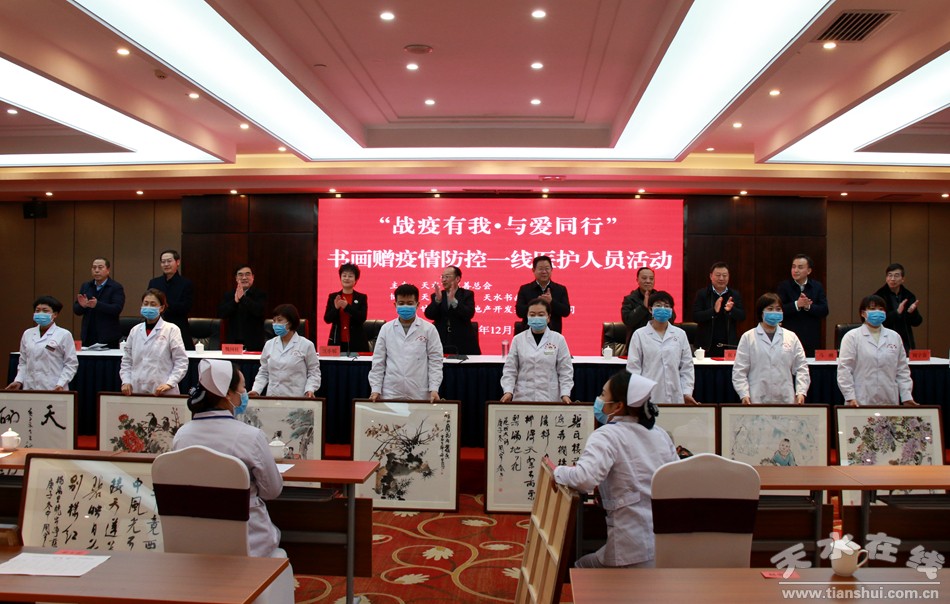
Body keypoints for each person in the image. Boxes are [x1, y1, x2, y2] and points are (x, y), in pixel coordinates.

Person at [546, 371, 677, 568]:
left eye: (602, 394)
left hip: (630, 547)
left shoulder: (607, 435)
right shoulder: (660, 434)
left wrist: (558, 472)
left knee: (580, 567)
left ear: (618, 406)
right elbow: (675, 479)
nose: (599, 400)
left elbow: (584, 479)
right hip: (666, 543)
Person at [172, 359, 283, 557]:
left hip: (194, 543)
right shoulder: (251, 436)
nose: (245, 393)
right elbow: (272, 491)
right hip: (249, 544)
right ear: (228, 394)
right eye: (243, 388)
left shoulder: (182, 435)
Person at [368, 284, 443, 402]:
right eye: (401, 303)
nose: (405, 306)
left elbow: (435, 361)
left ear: (418, 304)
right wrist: (375, 389)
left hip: (419, 392)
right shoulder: (386, 329)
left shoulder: (429, 329)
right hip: (391, 391)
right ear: (395, 305)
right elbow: (378, 361)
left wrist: (434, 388)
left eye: (410, 303)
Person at [837, 295, 916, 406]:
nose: (877, 312)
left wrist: (906, 396)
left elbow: (902, 370)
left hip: (889, 399)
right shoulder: (852, 337)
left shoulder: (894, 337)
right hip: (860, 399)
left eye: (881, 309)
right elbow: (844, 370)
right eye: (872, 309)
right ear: (863, 313)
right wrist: (850, 397)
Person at [732, 293, 810, 405]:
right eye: (770, 309)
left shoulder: (791, 337)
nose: (775, 312)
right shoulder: (748, 337)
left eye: (778, 309)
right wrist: (743, 394)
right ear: (761, 312)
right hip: (756, 398)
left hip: (786, 398)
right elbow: (739, 370)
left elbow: (801, 367)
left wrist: (801, 392)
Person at [627, 291, 697, 404]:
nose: (663, 309)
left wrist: (687, 392)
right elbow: (633, 368)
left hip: (675, 395)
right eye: (658, 305)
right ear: (650, 309)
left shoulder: (680, 334)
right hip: (648, 395)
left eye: (667, 306)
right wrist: (638, 394)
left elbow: (686, 367)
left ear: (671, 310)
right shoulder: (639, 335)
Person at [500, 298, 573, 403]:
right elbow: (510, 369)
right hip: (523, 397)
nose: (536, 318)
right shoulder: (518, 339)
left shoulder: (558, 339)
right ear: (527, 317)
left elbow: (565, 370)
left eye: (541, 314)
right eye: (532, 314)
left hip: (550, 398)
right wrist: (508, 391)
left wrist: (565, 394)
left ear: (548, 317)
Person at [119, 289, 188, 396]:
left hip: (163, 389)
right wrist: (126, 381)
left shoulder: (171, 329)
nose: (148, 307)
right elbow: (127, 360)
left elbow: (181, 361)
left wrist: (170, 383)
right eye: (145, 304)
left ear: (161, 308)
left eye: (153, 304)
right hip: (136, 389)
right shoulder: (135, 330)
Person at [7, 296, 78, 391]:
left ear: (55, 314)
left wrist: (61, 383)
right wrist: (19, 380)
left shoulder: (64, 334)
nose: (40, 313)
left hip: (54, 387)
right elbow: (23, 361)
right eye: (37, 310)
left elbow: (71, 364)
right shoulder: (28, 333)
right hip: (30, 387)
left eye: (45, 311)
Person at [250, 304, 320, 398]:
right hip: (272, 397)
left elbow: (314, 372)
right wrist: (256, 390)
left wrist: (310, 389)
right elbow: (264, 372)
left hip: (296, 398)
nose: (275, 324)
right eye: (274, 321)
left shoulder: (306, 345)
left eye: (279, 320)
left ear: (290, 322)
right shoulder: (269, 344)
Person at [776, 254, 829, 357]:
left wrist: (808, 306)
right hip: (789, 335)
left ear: (809, 271)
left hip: (811, 336)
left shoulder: (817, 286)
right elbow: (779, 310)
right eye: (793, 267)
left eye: (800, 267)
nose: (795, 270)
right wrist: (797, 304)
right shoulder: (784, 286)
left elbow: (824, 310)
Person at [424, 265, 481, 355]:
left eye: (447, 277)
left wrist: (454, 301)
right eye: (442, 277)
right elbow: (429, 315)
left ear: (457, 279)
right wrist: (437, 301)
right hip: (441, 339)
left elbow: (469, 314)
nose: (443, 280)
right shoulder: (438, 295)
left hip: (463, 339)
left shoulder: (467, 294)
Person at [692, 261, 745, 353]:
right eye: (718, 275)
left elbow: (742, 316)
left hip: (728, 343)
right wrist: (713, 311)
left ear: (728, 276)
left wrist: (731, 310)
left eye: (724, 275)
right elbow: (695, 317)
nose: (721, 278)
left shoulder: (734, 294)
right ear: (711, 276)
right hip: (706, 345)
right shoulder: (702, 294)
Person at [73, 256, 125, 348]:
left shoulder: (115, 287)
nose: (96, 270)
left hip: (108, 337)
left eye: (100, 267)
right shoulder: (86, 286)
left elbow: (116, 309)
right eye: (94, 268)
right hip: (88, 335)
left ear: (108, 270)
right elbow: (76, 310)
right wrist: (82, 306)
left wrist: (97, 305)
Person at [147, 249, 194, 350]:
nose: (166, 264)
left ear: (177, 262)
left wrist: (164, 305)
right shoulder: (154, 283)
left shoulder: (186, 283)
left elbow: (186, 307)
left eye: (169, 261)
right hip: (156, 327)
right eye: (163, 262)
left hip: (178, 327)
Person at [873, 263, 922, 353]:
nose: (892, 279)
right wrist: (896, 313)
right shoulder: (878, 296)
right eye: (890, 275)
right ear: (886, 278)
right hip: (884, 341)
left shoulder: (909, 296)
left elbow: (917, 322)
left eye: (896, 276)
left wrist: (912, 312)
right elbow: (877, 321)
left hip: (905, 343)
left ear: (903, 279)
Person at [218, 265, 267, 352]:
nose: (244, 278)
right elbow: (221, 314)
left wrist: (242, 298)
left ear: (253, 277)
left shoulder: (260, 294)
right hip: (233, 342)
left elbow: (259, 311)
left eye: (247, 274)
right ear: (236, 278)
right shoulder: (229, 295)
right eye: (240, 275)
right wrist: (235, 301)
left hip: (254, 342)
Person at [515, 255, 570, 333]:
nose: (544, 272)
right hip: (529, 334)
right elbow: (519, 312)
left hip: (553, 334)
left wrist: (551, 302)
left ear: (551, 270)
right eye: (540, 269)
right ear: (533, 270)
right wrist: (536, 302)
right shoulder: (525, 289)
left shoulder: (560, 289)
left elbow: (566, 312)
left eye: (547, 268)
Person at [323, 262, 369, 353]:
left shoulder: (361, 297)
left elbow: (362, 318)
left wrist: (347, 307)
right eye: (344, 275)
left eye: (350, 276)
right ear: (340, 278)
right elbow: (327, 319)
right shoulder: (333, 297)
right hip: (336, 341)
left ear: (356, 279)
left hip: (357, 341)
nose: (347, 278)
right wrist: (336, 307)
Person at [621, 267, 657, 342]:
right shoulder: (630, 299)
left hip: (658, 339)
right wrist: (643, 307)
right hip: (636, 341)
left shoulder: (661, 298)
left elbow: (671, 319)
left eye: (651, 278)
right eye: (644, 278)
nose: (648, 281)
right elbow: (628, 321)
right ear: (637, 280)